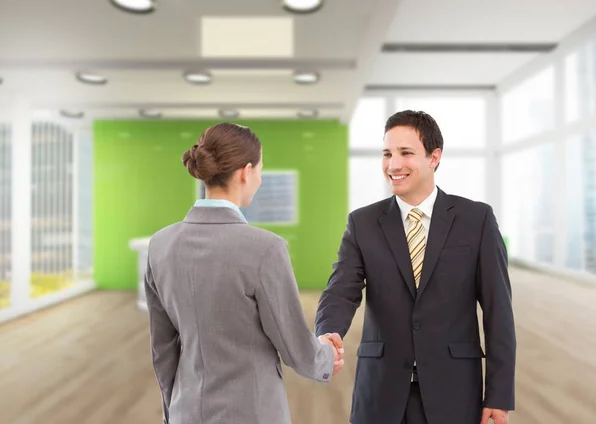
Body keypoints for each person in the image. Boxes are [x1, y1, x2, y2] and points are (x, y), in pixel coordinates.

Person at [315, 110, 516, 424]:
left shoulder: (476, 220)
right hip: (381, 390)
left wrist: (499, 393)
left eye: (406, 153)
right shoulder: (363, 223)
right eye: (387, 154)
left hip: (454, 389)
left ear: (434, 157)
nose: (393, 164)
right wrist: (328, 333)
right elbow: (341, 290)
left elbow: (498, 311)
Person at [144, 122, 344, 424]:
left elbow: (163, 349)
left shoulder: (160, 245)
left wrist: (173, 414)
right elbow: (295, 348)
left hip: (186, 413)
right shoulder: (266, 248)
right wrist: (327, 354)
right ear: (245, 172)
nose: (260, 180)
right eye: (260, 170)